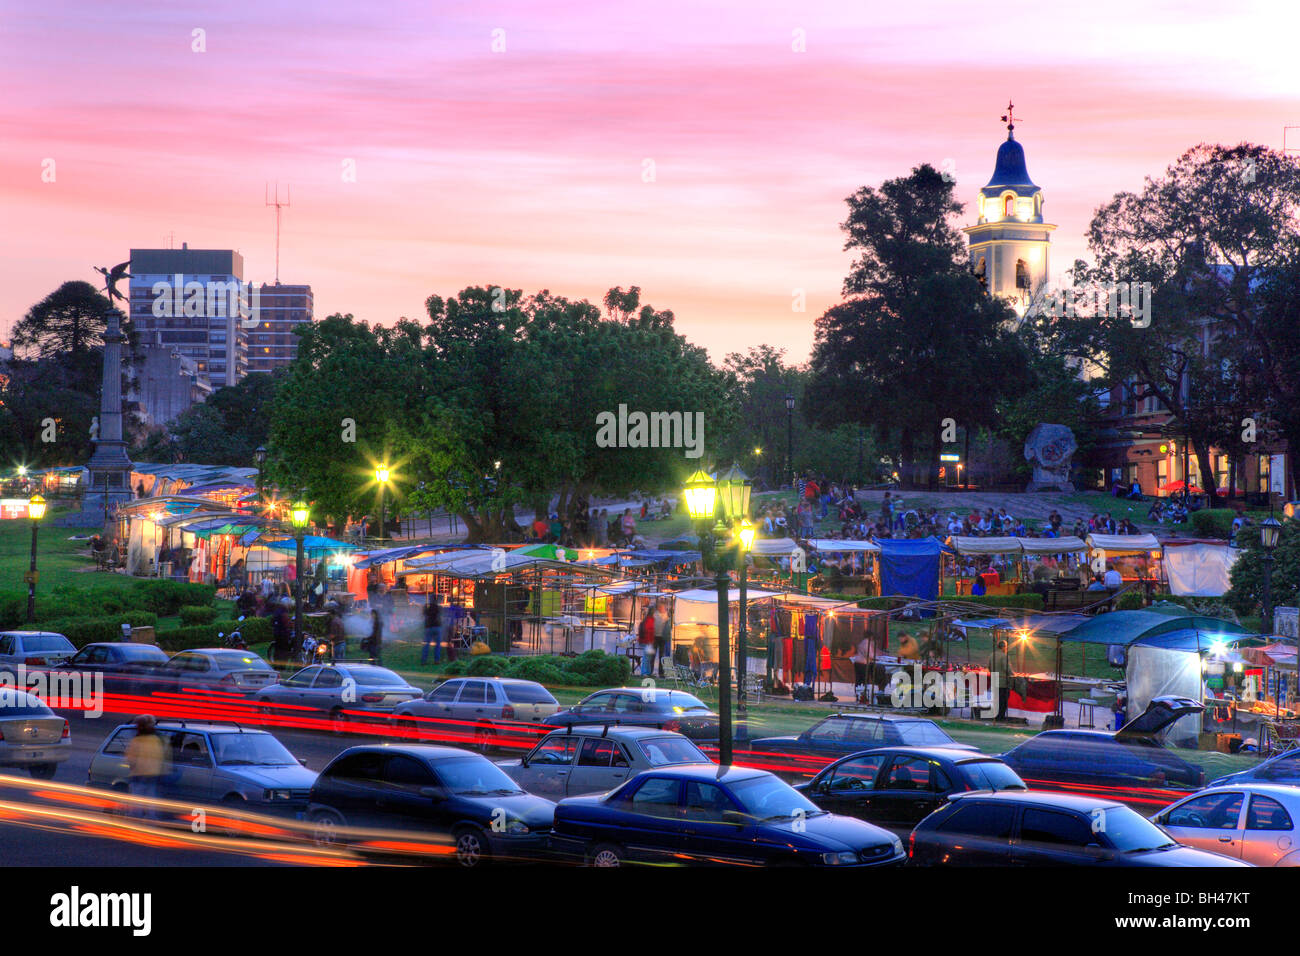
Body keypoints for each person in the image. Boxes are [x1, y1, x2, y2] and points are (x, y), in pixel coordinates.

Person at [125, 714, 166, 818]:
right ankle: (151, 820)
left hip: (139, 774)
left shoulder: (137, 740)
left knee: (137, 800)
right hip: (153, 774)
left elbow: (130, 759)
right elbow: (161, 756)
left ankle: (136, 819)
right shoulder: (157, 739)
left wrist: (132, 767)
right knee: (151, 799)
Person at [989, 641, 1012, 719]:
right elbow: (1006, 668)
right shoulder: (1004, 656)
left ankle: (995, 715)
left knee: (996, 699)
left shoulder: (992, 655)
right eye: (1006, 647)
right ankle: (1000, 716)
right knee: (1003, 700)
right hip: (1002, 681)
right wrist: (1013, 674)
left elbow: (989, 667)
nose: (1006, 649)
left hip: (994, 679)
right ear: (1003, 647)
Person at [851, 633, 872, 703]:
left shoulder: (862, 642)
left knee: (858, 680)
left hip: (857, 662)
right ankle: (863, 696)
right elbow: (869, 654)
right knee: (864, 680)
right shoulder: (867, 643)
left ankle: (858, 695)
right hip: (863, 663)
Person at [422, 595, 442, 665]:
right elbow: (440, 616)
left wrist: (424, 608)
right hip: (437, 627)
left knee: (426, 644)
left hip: (429, 627)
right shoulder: (438, 607)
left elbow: (423, 614)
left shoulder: (427, 607)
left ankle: (424, 660)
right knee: (438, 645)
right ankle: (437, 660)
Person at [638, 606, 657, 676]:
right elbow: (649, 631)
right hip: (647, 641)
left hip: (647, 641)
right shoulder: (650, 620)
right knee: (646, 658)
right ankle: (644, 672)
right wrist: (650, 641)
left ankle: (648, 672)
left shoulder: (648, 619)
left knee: (648, 658)